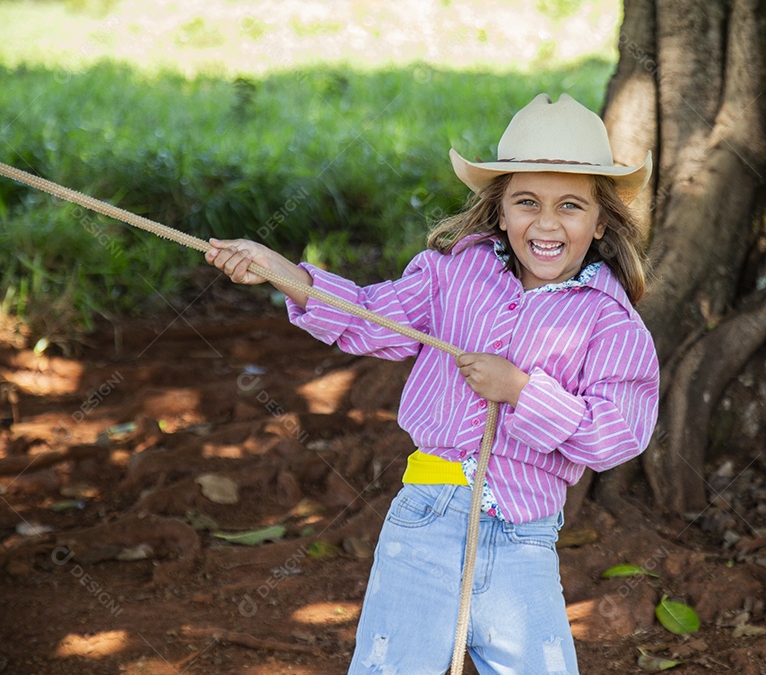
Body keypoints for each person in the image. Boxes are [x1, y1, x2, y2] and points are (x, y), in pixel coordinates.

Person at [205, 93, 660, 674]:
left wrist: (522, 390)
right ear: (500, 211)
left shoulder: (611, 322)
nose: (546, 224)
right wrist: (286, 274)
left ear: (600, 222)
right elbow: (372, 317)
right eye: (527, 202)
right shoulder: (455, 272)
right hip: (427, 517)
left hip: (523, 538)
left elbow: (616, 435)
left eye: (570, 205)